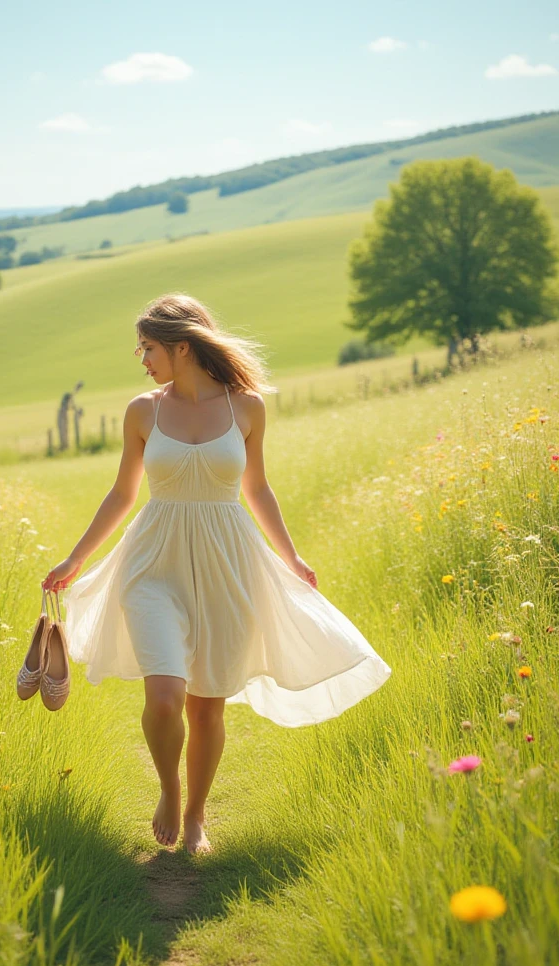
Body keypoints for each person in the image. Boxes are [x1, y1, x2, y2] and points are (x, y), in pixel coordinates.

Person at [41, 294, 391, 854]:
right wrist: (75, 559)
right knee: (163, 694)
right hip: (153, 561)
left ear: (182, 346)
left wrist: (292, 557)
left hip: (230, 561)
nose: (142, 359)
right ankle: (169, 789)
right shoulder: (143, 410)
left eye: (148, 348)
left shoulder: (246, 407)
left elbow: (256, 488)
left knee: (206, 704)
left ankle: (198, 816)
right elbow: (123, 493)